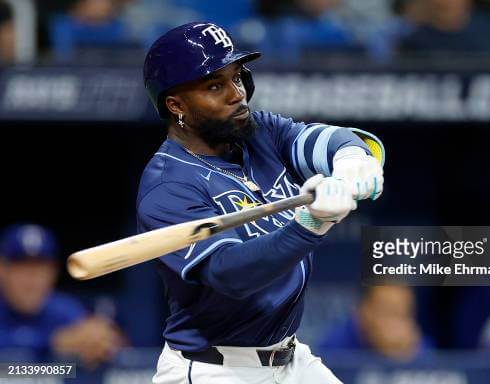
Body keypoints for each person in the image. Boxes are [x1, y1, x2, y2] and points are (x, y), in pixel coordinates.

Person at [139, 22, 384, 383]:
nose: (236, 94)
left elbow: (328, 139)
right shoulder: (168, 185)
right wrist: (309, 226)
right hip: (215, 369)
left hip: (291, 359)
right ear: (176, 105)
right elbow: (231, 274)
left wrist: (351, 161)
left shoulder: (258, 131)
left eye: (236, 77)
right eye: (214, 86)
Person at [0, 224, 125, 367]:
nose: (32, 280)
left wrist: (101, 339)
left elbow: (112, 343)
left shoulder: (62, 309)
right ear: (2, 270)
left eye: (40, 269)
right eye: (22, 268)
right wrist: (52, 343)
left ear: (54, 273)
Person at [319, 285, 430, 360]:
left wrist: (404, 356)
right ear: (363, 309)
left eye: (403, 313)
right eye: (388, 311)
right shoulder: (335, 345)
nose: (394, 323)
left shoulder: (417, 345)